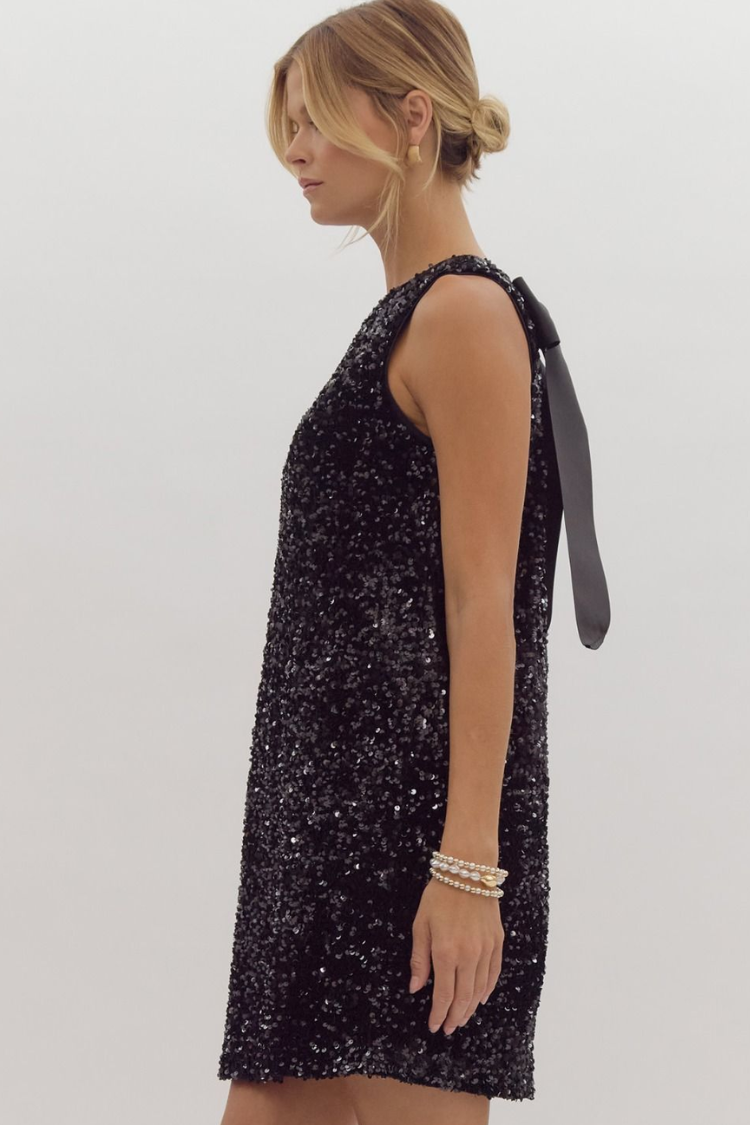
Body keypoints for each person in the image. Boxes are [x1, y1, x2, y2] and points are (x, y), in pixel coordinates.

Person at [217, 2, 607, 1123]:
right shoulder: (406, 318)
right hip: (324, 843)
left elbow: (488, 606)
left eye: (313, 121)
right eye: (287, 127)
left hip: (409, 858)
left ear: (412, 116)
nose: (294, 151)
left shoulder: (465, 315)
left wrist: (468, 869)